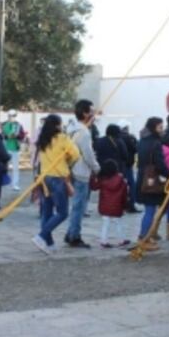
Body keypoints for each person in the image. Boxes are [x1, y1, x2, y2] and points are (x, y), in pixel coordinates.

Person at [31, 114, 79, 254]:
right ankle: (41, 236)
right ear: (58, 125)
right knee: (62, 213)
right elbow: (75, 154)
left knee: (47, 211)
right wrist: (67, 162)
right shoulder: (63, 138)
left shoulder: (43, 139)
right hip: (58, 178)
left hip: (44, 178)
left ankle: (49, 244)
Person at [64, 99, 100, 249]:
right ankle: (74, 236)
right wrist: (97, 168)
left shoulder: (70, 128)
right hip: (80, 172)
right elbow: (88, 154)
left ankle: (70, 232)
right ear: (85, 113)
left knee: (76, 206)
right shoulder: (84, 132)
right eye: (92, 111)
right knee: (79, 207)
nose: (94, 114)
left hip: (71, 170)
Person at [135, 117, 169, 251]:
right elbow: (160, 164)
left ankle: (145, 236)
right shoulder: (155, 143)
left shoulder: (142, 140)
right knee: (150, 210)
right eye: (160, 128)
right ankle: (143, 238)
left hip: (142, 177)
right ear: (153, 128)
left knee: (149, 209)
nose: (162, 130)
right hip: (151, 180)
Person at [91, 159, 130, 248]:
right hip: (117, 207)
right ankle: (121, 240)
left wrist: (92, 177)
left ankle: (103, 241)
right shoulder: (122, 180)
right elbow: (125, 195)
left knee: (106, 224)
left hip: (104, 206)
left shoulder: (102, 180)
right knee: (118, 223)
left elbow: (93, 187)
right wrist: (124, 206)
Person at [2, 110, 26, 191]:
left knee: (15, 168)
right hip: (5, 148)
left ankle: (15, 184)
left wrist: (18, 136)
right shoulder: (4, 124)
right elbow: (3, 135)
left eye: (14, 115)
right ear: (8, 115)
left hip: (15, 148)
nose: (12, 117)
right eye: (11, 115)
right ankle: (4, 182)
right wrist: (8, 135)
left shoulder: (19, 125)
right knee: (4, 166)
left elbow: (22, 135)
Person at [119, 121, 139, 213]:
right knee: (132, 185)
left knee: (120, 185)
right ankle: (131, 204)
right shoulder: (129, 137)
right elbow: (135, 149)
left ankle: (120, 204)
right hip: (128, 164)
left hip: (119, 165)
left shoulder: (117, 137)